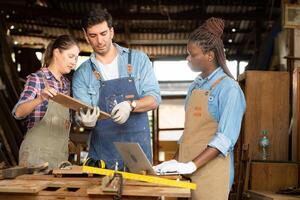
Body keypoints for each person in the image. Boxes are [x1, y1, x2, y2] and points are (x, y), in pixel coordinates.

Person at [154, 18, 246, 199]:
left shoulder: (229, 89)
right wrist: (175, 161)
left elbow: (225, 138)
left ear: (210, 56)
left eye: (192, 54)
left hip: (211, 174)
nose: (188, 58)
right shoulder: (195, 86)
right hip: (187, 172)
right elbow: (188, 133)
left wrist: (192, 165)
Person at [72, 9, 161, 170]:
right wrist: (84, 120)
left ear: (112, 31)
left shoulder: (138, 60)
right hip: (102, 155)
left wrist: (130, 105)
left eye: (103, 33)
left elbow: (154, 98)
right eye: (93, 36)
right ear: (85, 36)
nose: (100, 41)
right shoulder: (82, 74)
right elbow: (81, 111)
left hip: (137, 152)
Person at [12, 35, 80, 169]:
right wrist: (40, 99)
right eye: (71, 56)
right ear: (56, 53)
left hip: (59, 158)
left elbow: (66, 121)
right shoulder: (37, 79)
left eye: (76, 58)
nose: (74, 62)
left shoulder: (66, 84)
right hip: (35, 158)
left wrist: (83, 117)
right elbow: (18, 112)